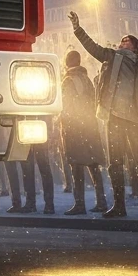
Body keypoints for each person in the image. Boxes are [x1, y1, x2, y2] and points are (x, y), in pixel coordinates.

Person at [68, 12, 138, 218]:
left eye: (128, 41)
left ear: (135, 48)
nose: (123, 42)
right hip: (114, 117)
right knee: (115, 163)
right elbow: (92, 47)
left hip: (134, 118)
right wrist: (78, 29)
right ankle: (119, 206)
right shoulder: (111, 57)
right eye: (122, 40)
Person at [60, 50, 107, 215]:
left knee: (76, 165)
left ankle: (79, 204)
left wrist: (63, 123)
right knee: (94, 165)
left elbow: (66, 107)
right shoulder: (87, 79)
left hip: (75, 128)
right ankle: (101, 201)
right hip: (90, 126)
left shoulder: (68, 81)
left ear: (66, 63)